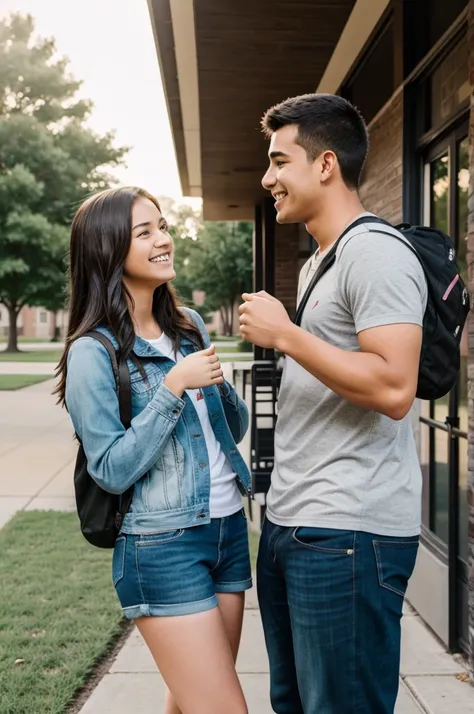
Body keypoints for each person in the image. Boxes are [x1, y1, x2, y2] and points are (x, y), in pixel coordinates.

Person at [239, 94, 427, 714]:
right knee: (294, 702)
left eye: (278, 161)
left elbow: (395, 388)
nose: (267, 179)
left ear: (324, 164)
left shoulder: (376, 252)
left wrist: (286, 335)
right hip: (298, 522)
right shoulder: (325, 257)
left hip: (349, 531)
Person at [56, 186, 252, 714]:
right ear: (108, 249)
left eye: (162, 226)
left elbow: (231, 428)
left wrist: (213, 382)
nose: (163, 238)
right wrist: (172, 389)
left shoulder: (187, 325)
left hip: (228, 529)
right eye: (144, 232)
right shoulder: (92, 354)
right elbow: (112, 470)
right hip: (161, 546)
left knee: (191, 702)